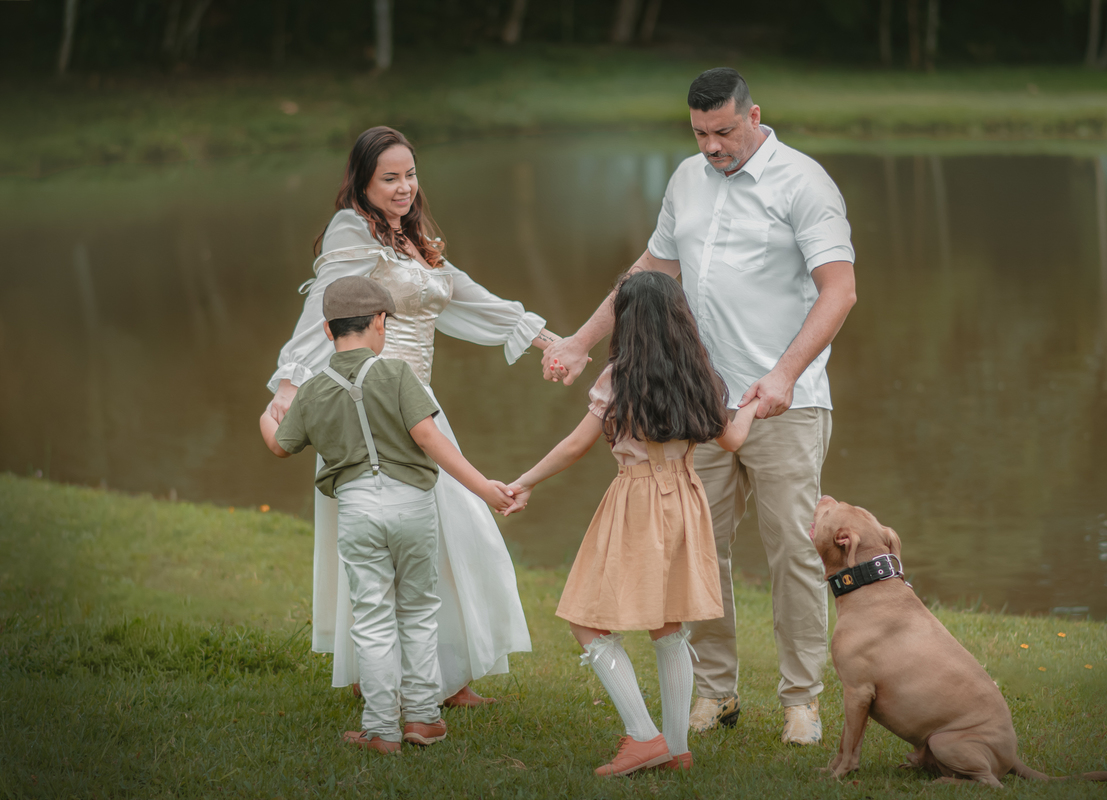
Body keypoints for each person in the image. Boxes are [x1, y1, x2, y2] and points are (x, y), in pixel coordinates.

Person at [540, 68, 857, 745]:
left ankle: (801, 701)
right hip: (695, 406)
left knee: (793, 554)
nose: (711, 146)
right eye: (699, 133)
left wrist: (783, 375)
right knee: (698, 553)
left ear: (754, 115)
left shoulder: (804, 183)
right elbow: (648, 273)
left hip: (785, 404)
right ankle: (715, 691)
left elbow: (840, 291)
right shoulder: (687, 179)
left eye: (723, 131)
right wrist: (579, 341)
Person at [265, 126, 565, 706]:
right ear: (362, 182)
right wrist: (289, 383)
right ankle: (375, 674)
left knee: (455, 535)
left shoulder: (411, 236)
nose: (405, 187)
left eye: (410, 174)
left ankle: (447, 677)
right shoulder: (350, 230)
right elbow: (322, 311)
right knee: (391, 538)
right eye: (390, 178)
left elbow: (468, 296)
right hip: (370, 408)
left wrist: (550, 341)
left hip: (419, 402)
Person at [505, 271, 760, 776]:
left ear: (628, 322)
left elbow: (576, 446)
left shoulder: (619, 377)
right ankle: (677, 749)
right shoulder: (700, 373)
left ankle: (644, 738)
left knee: (585, 618)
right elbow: (731, 440)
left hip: (638, 499)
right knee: (669, 623)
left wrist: (525, 481)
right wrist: (751, 406)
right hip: (686, 499)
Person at [260, 276, 518, 751]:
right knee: (418, 609)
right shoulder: (398, 374)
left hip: (357, 508)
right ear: (380, 322)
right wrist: (484, 488)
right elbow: (429, 438)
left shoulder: (314, 389)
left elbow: (279, 446)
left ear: (326, 329)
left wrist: (266, 415)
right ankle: (423, 718)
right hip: (413, 505)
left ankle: (381, 728)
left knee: (372, 616)